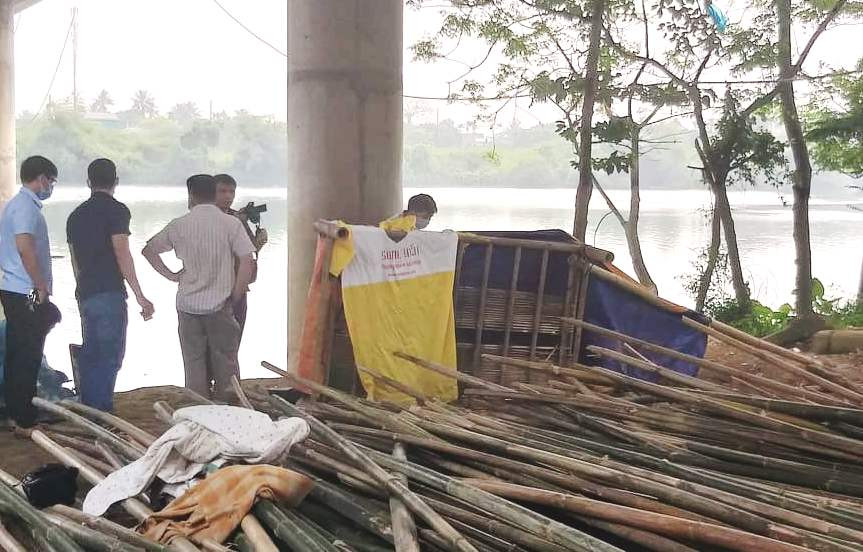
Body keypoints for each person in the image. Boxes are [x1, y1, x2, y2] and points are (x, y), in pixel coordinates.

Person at [142, 174, 255, 400]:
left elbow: (149, 250)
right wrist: (236, 293)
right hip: (221, 304)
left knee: (194, 364)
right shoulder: (230, 223)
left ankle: (198, 408)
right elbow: (247, 260)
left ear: (191, 195)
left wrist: (171, 276)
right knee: (226, 363)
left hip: (187, 306)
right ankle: (229, 411)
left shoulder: (179, 225)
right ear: (214, 194)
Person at [66, 158, 154, 412]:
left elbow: (74, 261)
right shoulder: (117, 211)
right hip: (109, 292)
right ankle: (101, 410)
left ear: (88, 182)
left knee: (92, 351)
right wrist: (140, 295)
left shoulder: (75, 215)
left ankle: (89, 406)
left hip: (86, 292)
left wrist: (81, 289)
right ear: (116, 181)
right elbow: (122, 253)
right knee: (110, 355)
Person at [0, 155, 58, 429]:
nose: (51, 186)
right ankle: (23, 416)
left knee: (19, 350)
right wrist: (40, 285)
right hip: (26, 290)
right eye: (51, 181)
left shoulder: (18, 204)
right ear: (42, 178)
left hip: (15, 288)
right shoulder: (25, 207)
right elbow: (25, 247)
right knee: (28, 352)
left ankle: (16, 410)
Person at [214, 174, 266, 335]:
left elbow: (250, 251)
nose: (228, 196)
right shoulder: (206, 218)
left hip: (239, 285)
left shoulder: (238, 217)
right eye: (222, 191)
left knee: (235, 338)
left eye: (231, 192)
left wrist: (259, 242)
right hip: (215, 287)